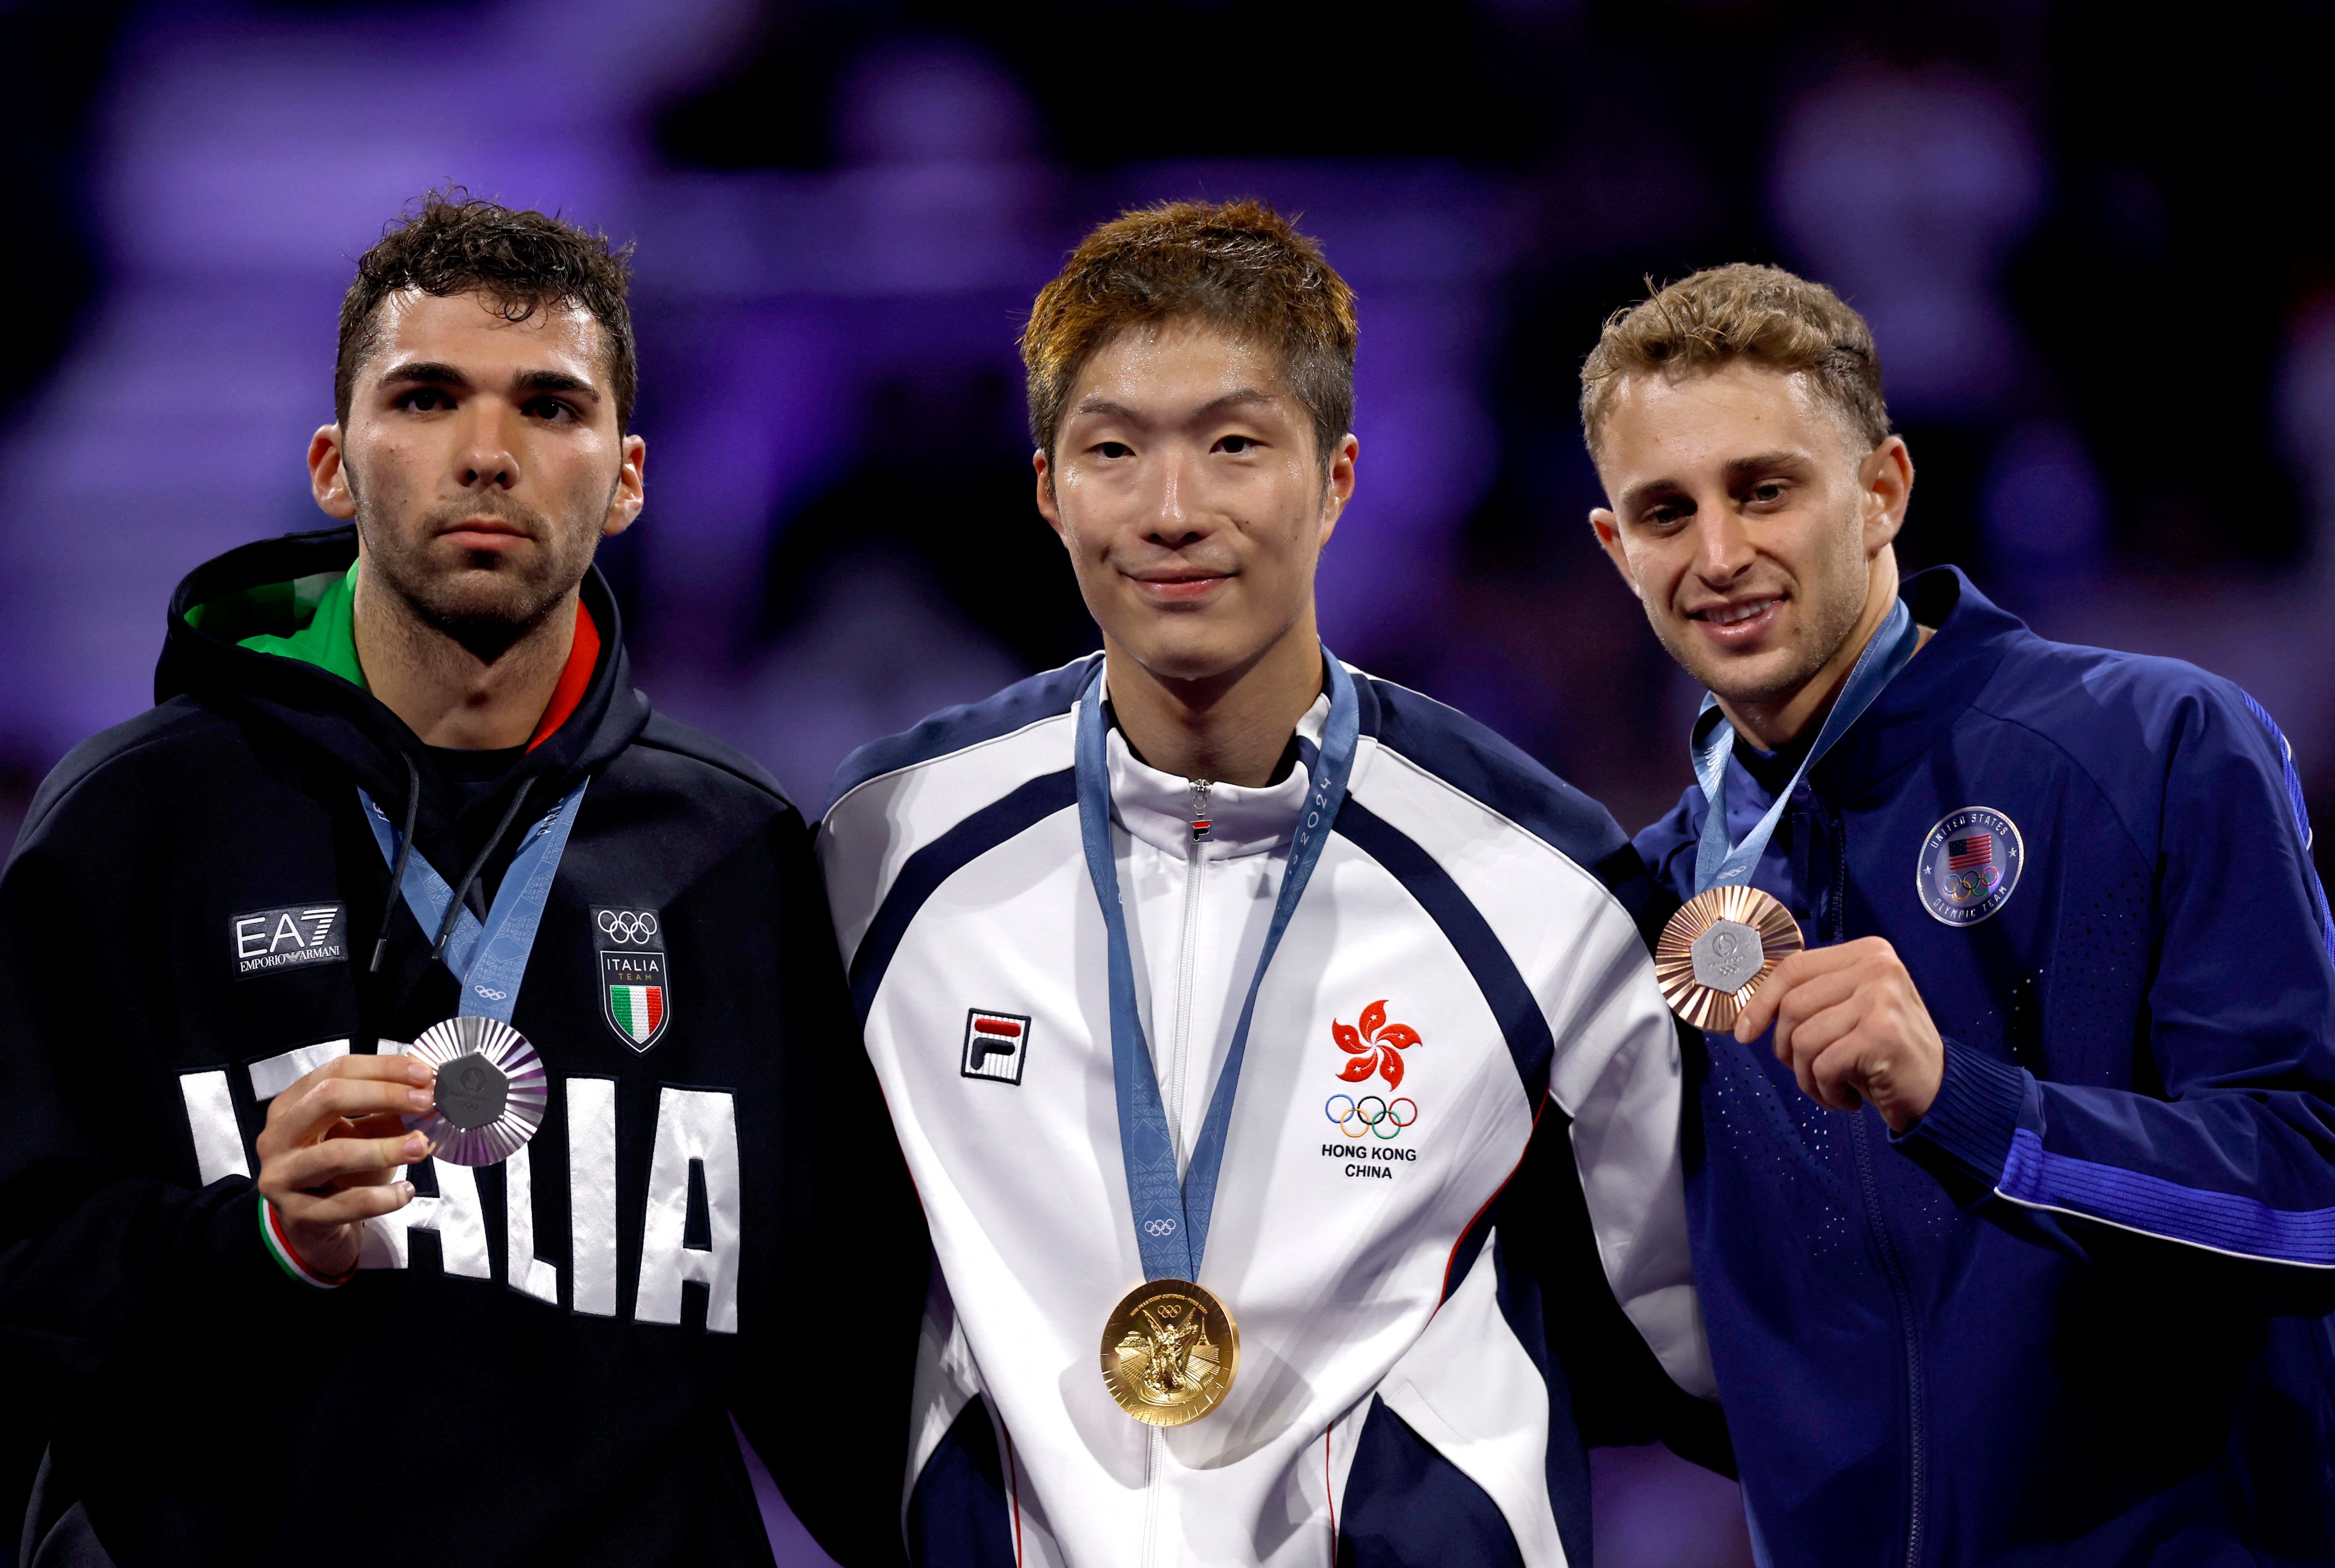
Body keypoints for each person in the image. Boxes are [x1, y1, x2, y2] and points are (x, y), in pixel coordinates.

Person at [0, 192, 920, 1567]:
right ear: (332, 461)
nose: (485, 455)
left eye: (548, 407)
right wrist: (254, 1242)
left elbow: (836, 1364)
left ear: (626, 477)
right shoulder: (138, 825)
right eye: (426, 398)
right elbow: (22, 1275)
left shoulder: (735, 852)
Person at [818, 199, 1721, 1568]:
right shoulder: (887, 849)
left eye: (1235, 445)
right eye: (1113, 450)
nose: (1173, 511)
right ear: (1049, 491)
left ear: (1337, 477)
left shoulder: (1542, 880)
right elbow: (817, 1290)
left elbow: (1685, 1343)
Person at [1585, 263, 2335, 1565]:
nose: (1715, 555)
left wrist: (1965, 1104)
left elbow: (2312, 1196)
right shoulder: (1646, 903)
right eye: (1665, 510)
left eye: (1764, 489)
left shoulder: (2152, 743)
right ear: (1615, 547)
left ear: (1881, 491)